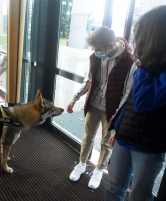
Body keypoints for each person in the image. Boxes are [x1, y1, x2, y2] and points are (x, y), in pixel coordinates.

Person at [105, 5, 166, 201]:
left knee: (139, 195)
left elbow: (142, 102)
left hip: (149, 146)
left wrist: (142, 67)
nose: (136, 41)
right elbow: (130, 101)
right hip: (126, 137)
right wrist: (117, 129)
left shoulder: (148, 70)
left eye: (140, 35)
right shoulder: (145, 67)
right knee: (114, 187)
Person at [67, 26, 134, 189]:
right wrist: (74, 98)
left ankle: (99, 169)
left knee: (106, 142)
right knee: (87, 137)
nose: (95, 51)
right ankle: (82, 164)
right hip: (94, 105)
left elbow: (126, 93)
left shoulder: (128, 62)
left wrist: (116, 116)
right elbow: (89, 81)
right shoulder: (95, 57)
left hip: (112, 110)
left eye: (97, 49)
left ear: (110, 46)